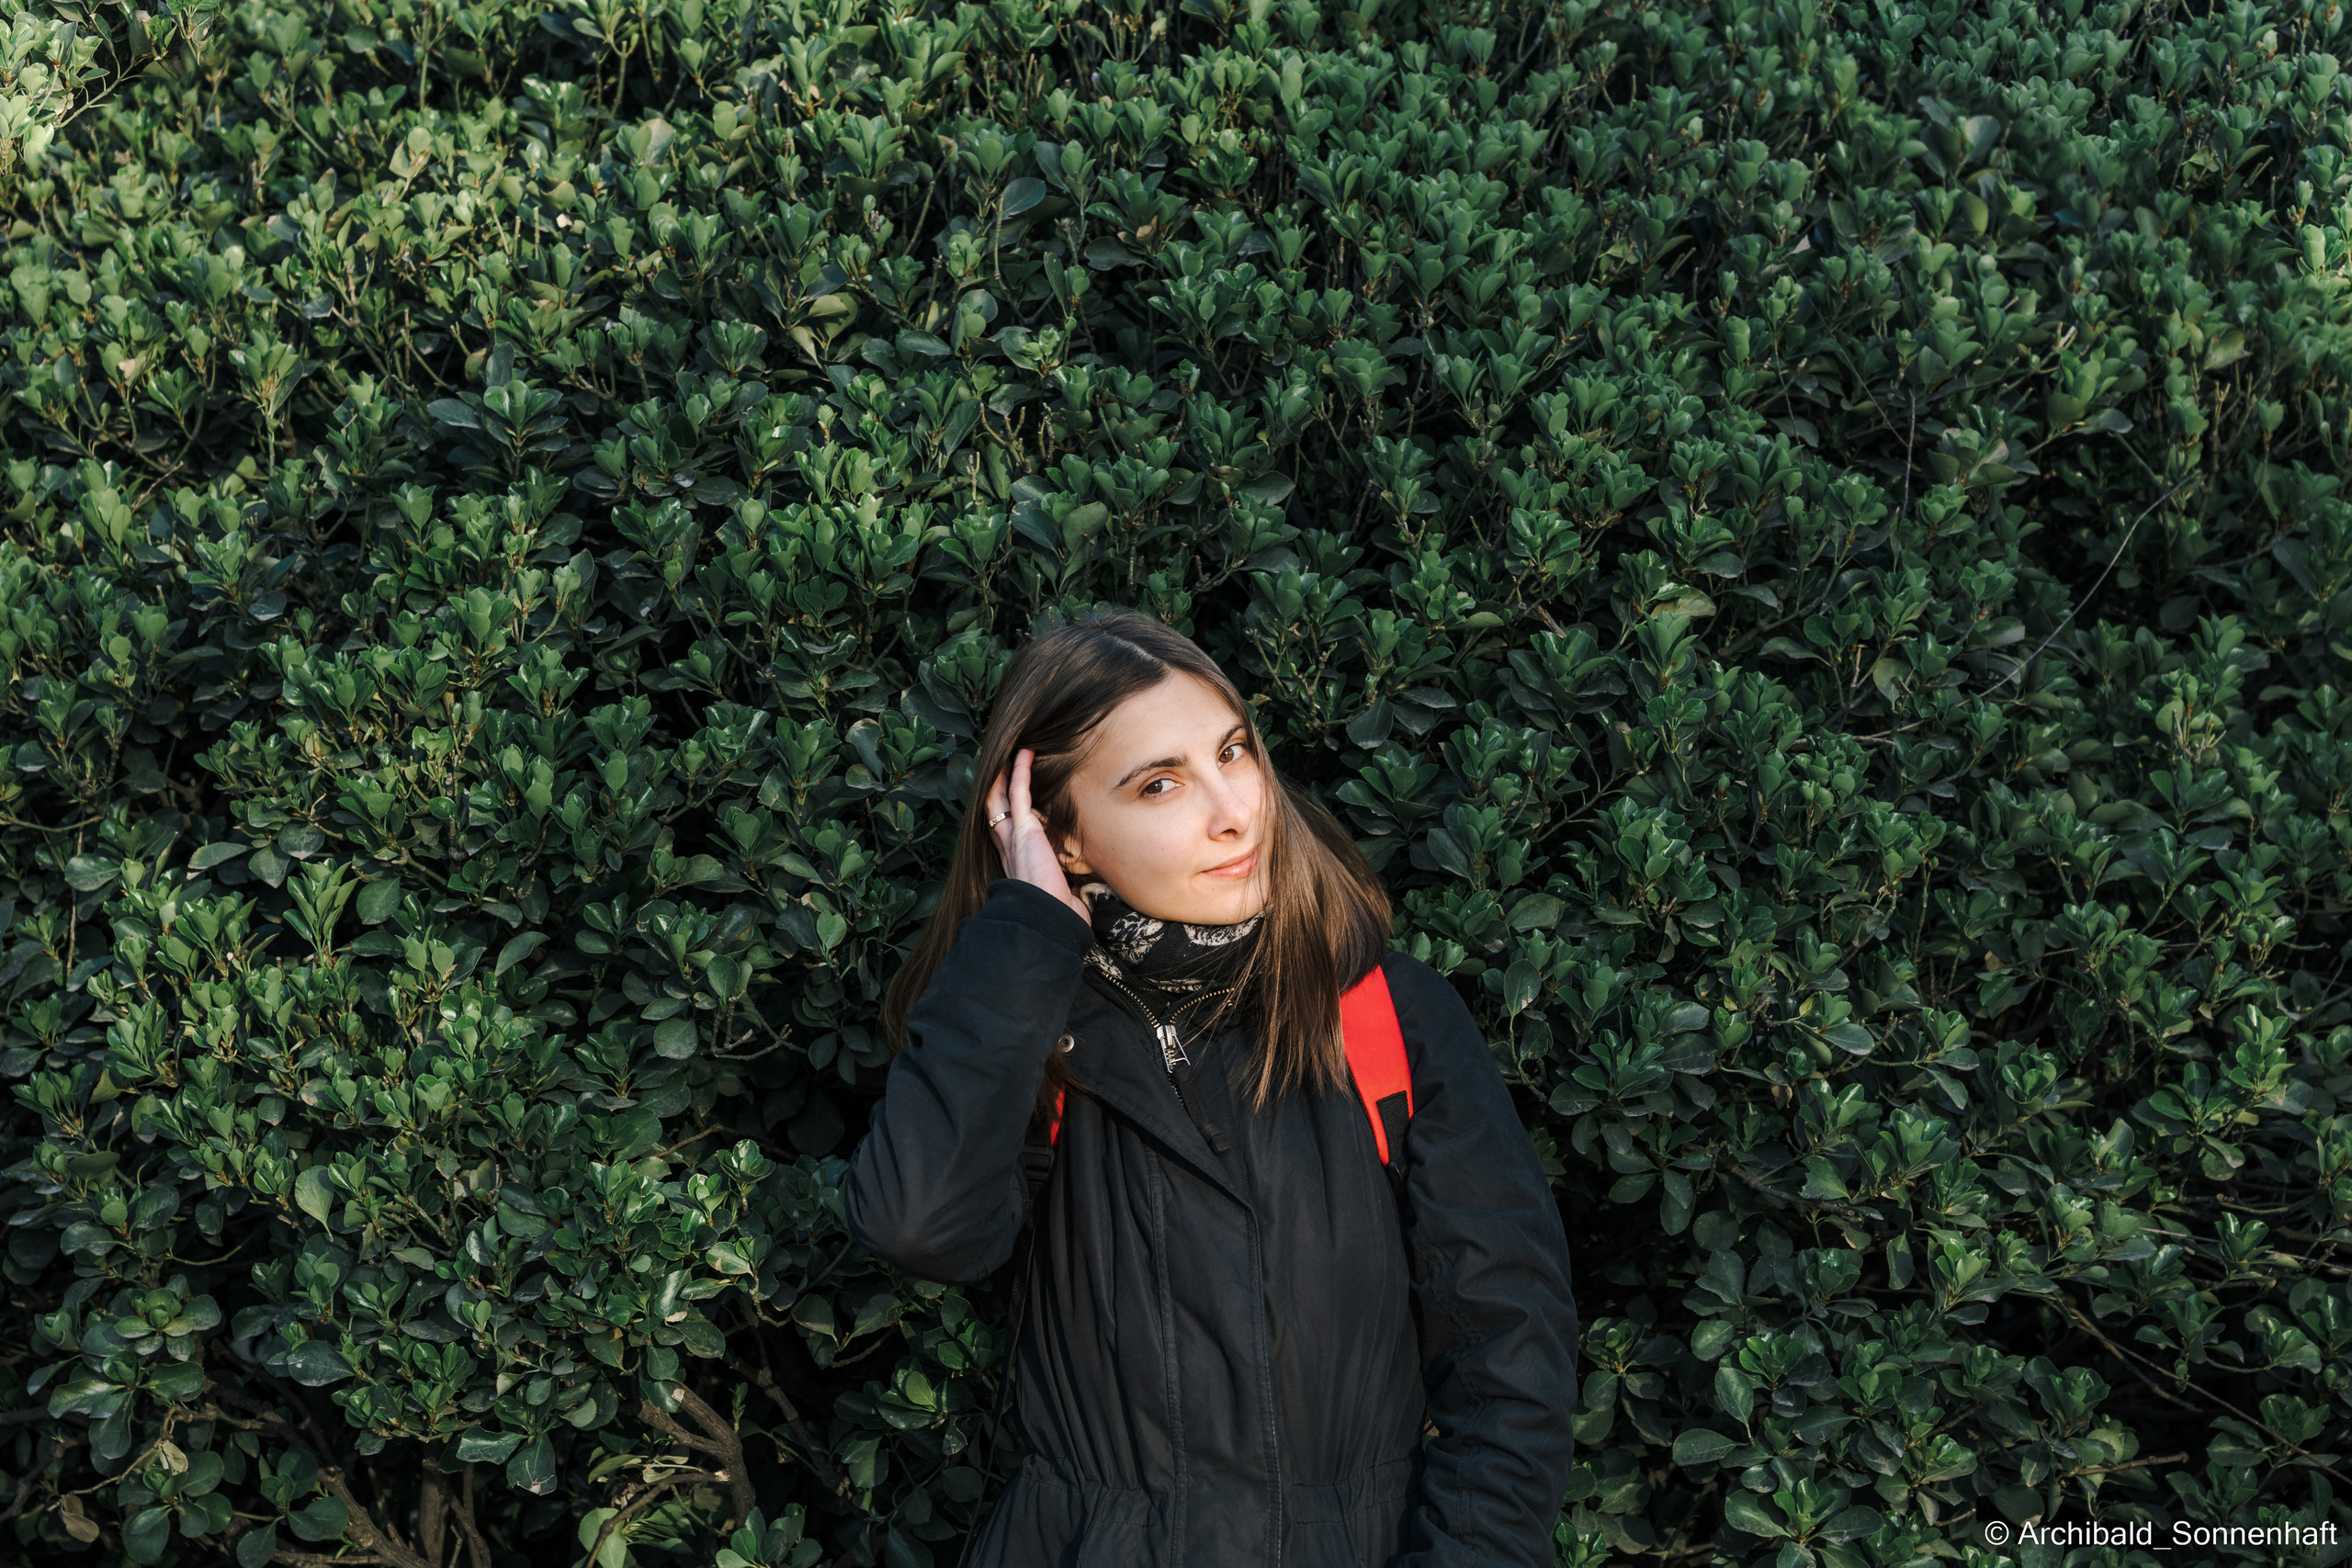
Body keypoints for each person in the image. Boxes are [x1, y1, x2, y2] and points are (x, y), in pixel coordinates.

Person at [842, 606, 1579, 1567]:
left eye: (1234, 752)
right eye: (1159, 784)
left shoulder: (1388, 1019)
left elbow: (1509, 1363)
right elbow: (917, 1224)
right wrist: (1024, 933)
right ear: (1061, 838)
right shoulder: (1029, 1031)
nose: (1235, 809)